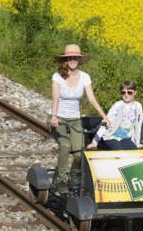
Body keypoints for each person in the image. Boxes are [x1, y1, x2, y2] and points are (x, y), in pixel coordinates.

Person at [48, 44, 110, 195]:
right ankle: (61, 180)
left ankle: (74, 178)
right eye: (70, 58)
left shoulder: (85, 77)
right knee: (65, 145)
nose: (73, 60)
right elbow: (55, 97)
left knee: (78, 152)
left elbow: (92, 99)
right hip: (59, 117)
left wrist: (104, 116)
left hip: (75, 119)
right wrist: (54, 117)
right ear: (66, 60)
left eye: (75, 57)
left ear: (79, 60)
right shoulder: (58, 76)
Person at [87, 81, 143, 151]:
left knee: (134, 152)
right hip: (111, 137)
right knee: (120, 152)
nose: (126, 95)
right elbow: (106, 122)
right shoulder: (118, 105)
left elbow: (138, 125)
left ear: (135, 92)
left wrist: (137, 143)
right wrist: (95, 141)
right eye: (123, 92)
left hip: (126, 138)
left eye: (129, 92)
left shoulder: (138, 106)